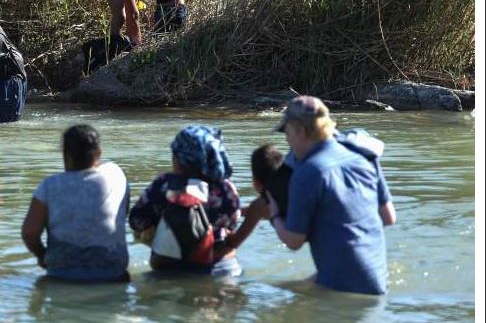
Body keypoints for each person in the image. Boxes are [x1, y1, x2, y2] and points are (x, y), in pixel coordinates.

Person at [265, 95, 397, 295]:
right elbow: (388, 218)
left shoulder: (307, 173)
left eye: (287, 132)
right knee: (293, 285)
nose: (287, 140)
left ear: (300, 131)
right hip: (377, 280)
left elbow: (293, 241)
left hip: (341, 291)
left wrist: (274, 213)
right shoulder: (363, 156)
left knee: (260, 291)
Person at [21, 124, 130, 282]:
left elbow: (29, 233)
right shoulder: (116, 175)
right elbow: (123, 213)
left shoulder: (49, 186)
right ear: (98, 153)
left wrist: (42, 255)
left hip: (62, 274)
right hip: (112, 272)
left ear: (66, 155)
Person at [129, 124, 243, 276]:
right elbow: (233, 223)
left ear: (181, 159)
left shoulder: (164, 184)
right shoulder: (226, 188)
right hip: (225, 269)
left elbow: (136, 220)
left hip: (171, 271)